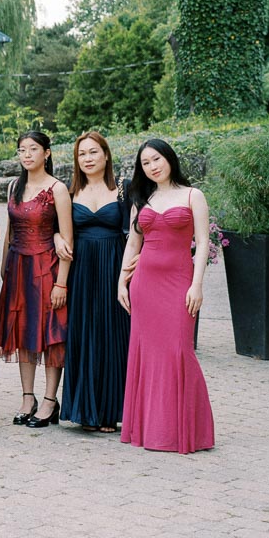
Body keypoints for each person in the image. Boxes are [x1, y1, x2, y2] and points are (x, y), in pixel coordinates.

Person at [118, 139, 215, 454]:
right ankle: (153, 431)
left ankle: (189, 431)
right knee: (148, 355)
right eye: (145, 163)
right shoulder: (142, 199)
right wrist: (122, 282)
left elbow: (202, 243)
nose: (152, 166)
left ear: (169, 158)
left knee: (178, 351)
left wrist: (196, 285)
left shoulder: (192, 195)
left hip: (179, 282)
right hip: (144, 284)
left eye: (156, 159)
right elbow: (133, 245)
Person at [0, 131, 73, 430]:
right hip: (17, 267)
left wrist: (62, 282)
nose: (26, 155)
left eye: (33, 149)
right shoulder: (15, 185)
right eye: (22, 150)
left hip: (47, 268)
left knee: (50, 334)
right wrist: (4, 266)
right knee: (22, 331)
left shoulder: (58, 189)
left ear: (47, 153)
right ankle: (28, 397)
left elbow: (66, 238)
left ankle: (50, 400)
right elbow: (10, 229)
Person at [59, 132, 130, 433]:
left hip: (114, 265)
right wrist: (54, 238)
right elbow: (56, 225)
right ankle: (85, 410)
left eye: (93, 152)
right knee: (85, 333)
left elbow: (135, 231)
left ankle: (110, 411)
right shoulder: (69, 190)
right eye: (81, 154)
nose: (87, 159)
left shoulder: (124, 189)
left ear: (105, 155)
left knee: (114, 335)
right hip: (82, 269)